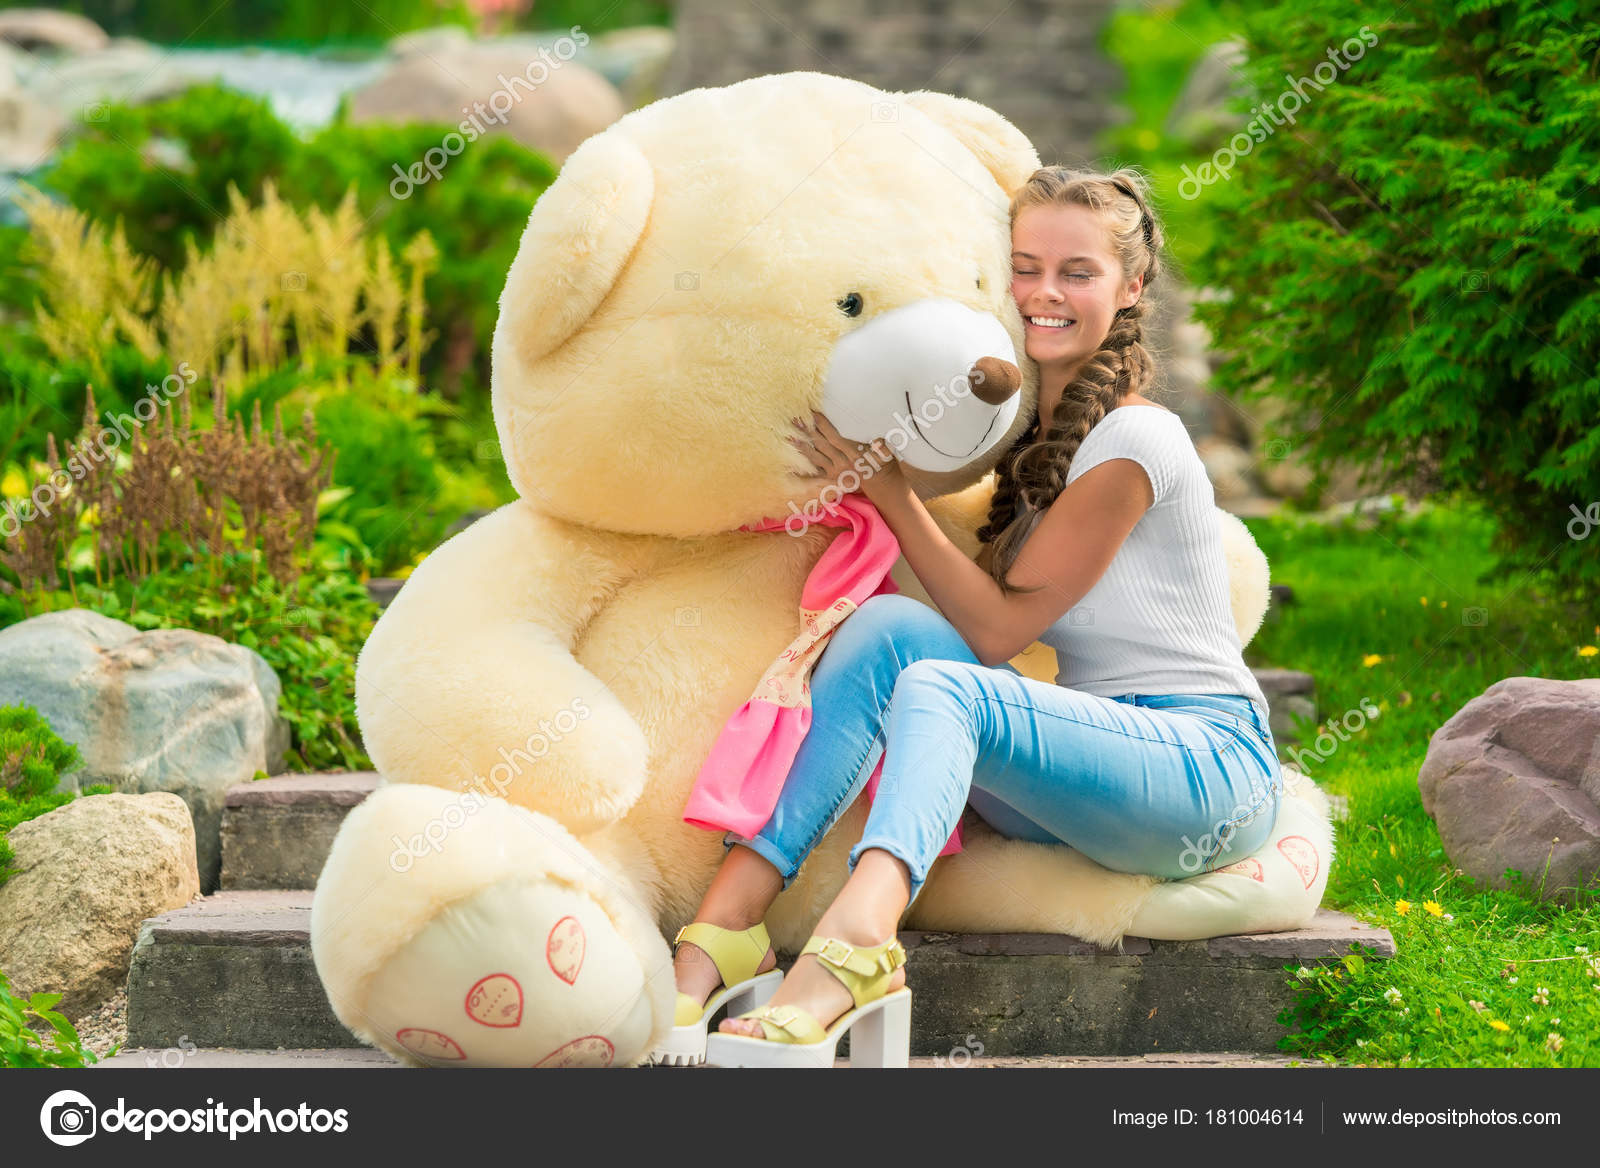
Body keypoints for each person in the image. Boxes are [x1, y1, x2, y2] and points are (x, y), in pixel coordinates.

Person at [668, 166, 1284, 1069]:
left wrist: (885, 485)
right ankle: (724, 929)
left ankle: (862, 943)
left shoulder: (1135, 439)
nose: (1043, 293)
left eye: (1077, 272)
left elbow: (996, 634)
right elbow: (977, 614)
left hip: (1204, 772)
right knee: (885, 634)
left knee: (948, 684)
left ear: (1132, 286)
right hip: (1097, 777)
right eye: (1024, 267)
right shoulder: (1037, 433)